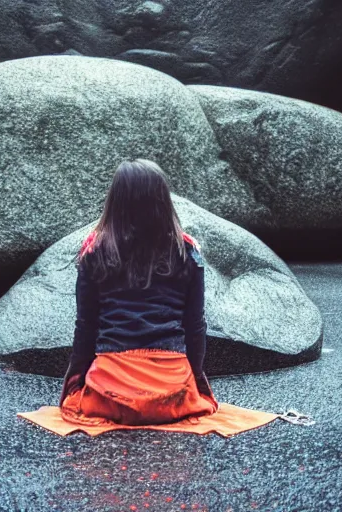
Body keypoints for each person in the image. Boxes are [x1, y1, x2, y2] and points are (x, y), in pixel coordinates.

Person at [17, 159, 282, 437]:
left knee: (87, 397)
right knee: (181, 392)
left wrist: (73, 384)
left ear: (115, 201)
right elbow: (195, 326)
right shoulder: (187, 252)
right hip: (173, 391)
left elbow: (86, 327)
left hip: (110, 393)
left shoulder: (95, 252)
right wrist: (197, 384)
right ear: (163, 201)